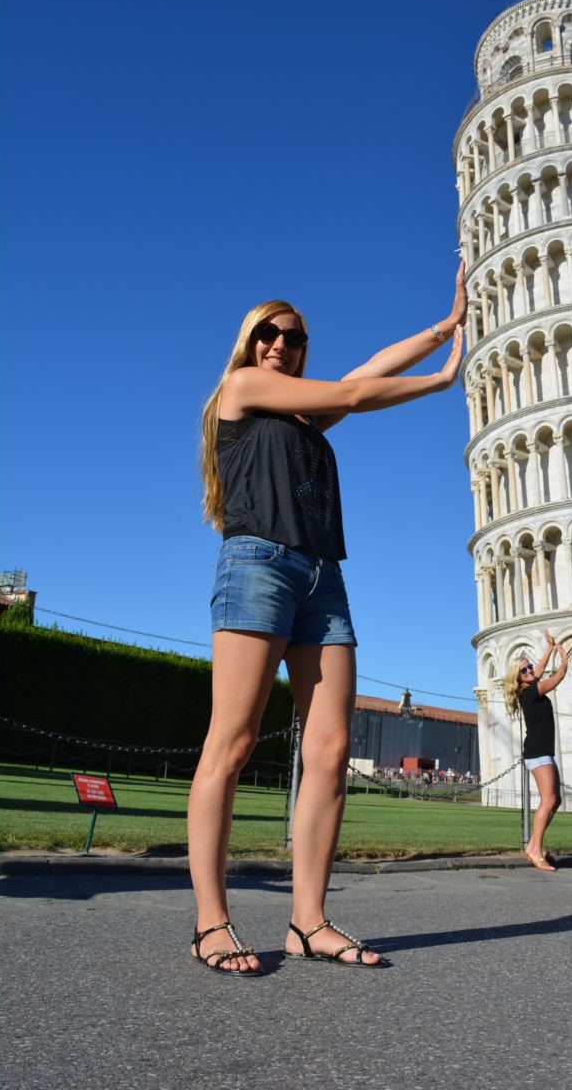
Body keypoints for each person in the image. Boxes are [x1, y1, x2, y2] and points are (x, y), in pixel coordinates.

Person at [187, 265, 466, 973]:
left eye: (294, 337)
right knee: (232, 743)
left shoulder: (304, 416)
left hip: (322, 577)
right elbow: (352, 392)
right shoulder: (241, 388)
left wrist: (443, 328)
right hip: (257, 565)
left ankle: (308, 923)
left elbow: (363, 373)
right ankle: (211, 923)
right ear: (248, 342)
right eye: (268, 332)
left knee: (332, 750)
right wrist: (440, 380)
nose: (280, 344)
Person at [505, 630, 568, 871]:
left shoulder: (530, 686)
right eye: (524, 671)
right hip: (538, 753)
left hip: (543, 752)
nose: (530, 671)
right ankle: (535, 849)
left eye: (529, 667)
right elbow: (558, 677)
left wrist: (549, 648)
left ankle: (533, 845)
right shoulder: (530, 692)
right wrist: (563, 659)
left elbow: (539, 671)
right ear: (518, 678)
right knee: (548, 800)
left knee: (555, 800)